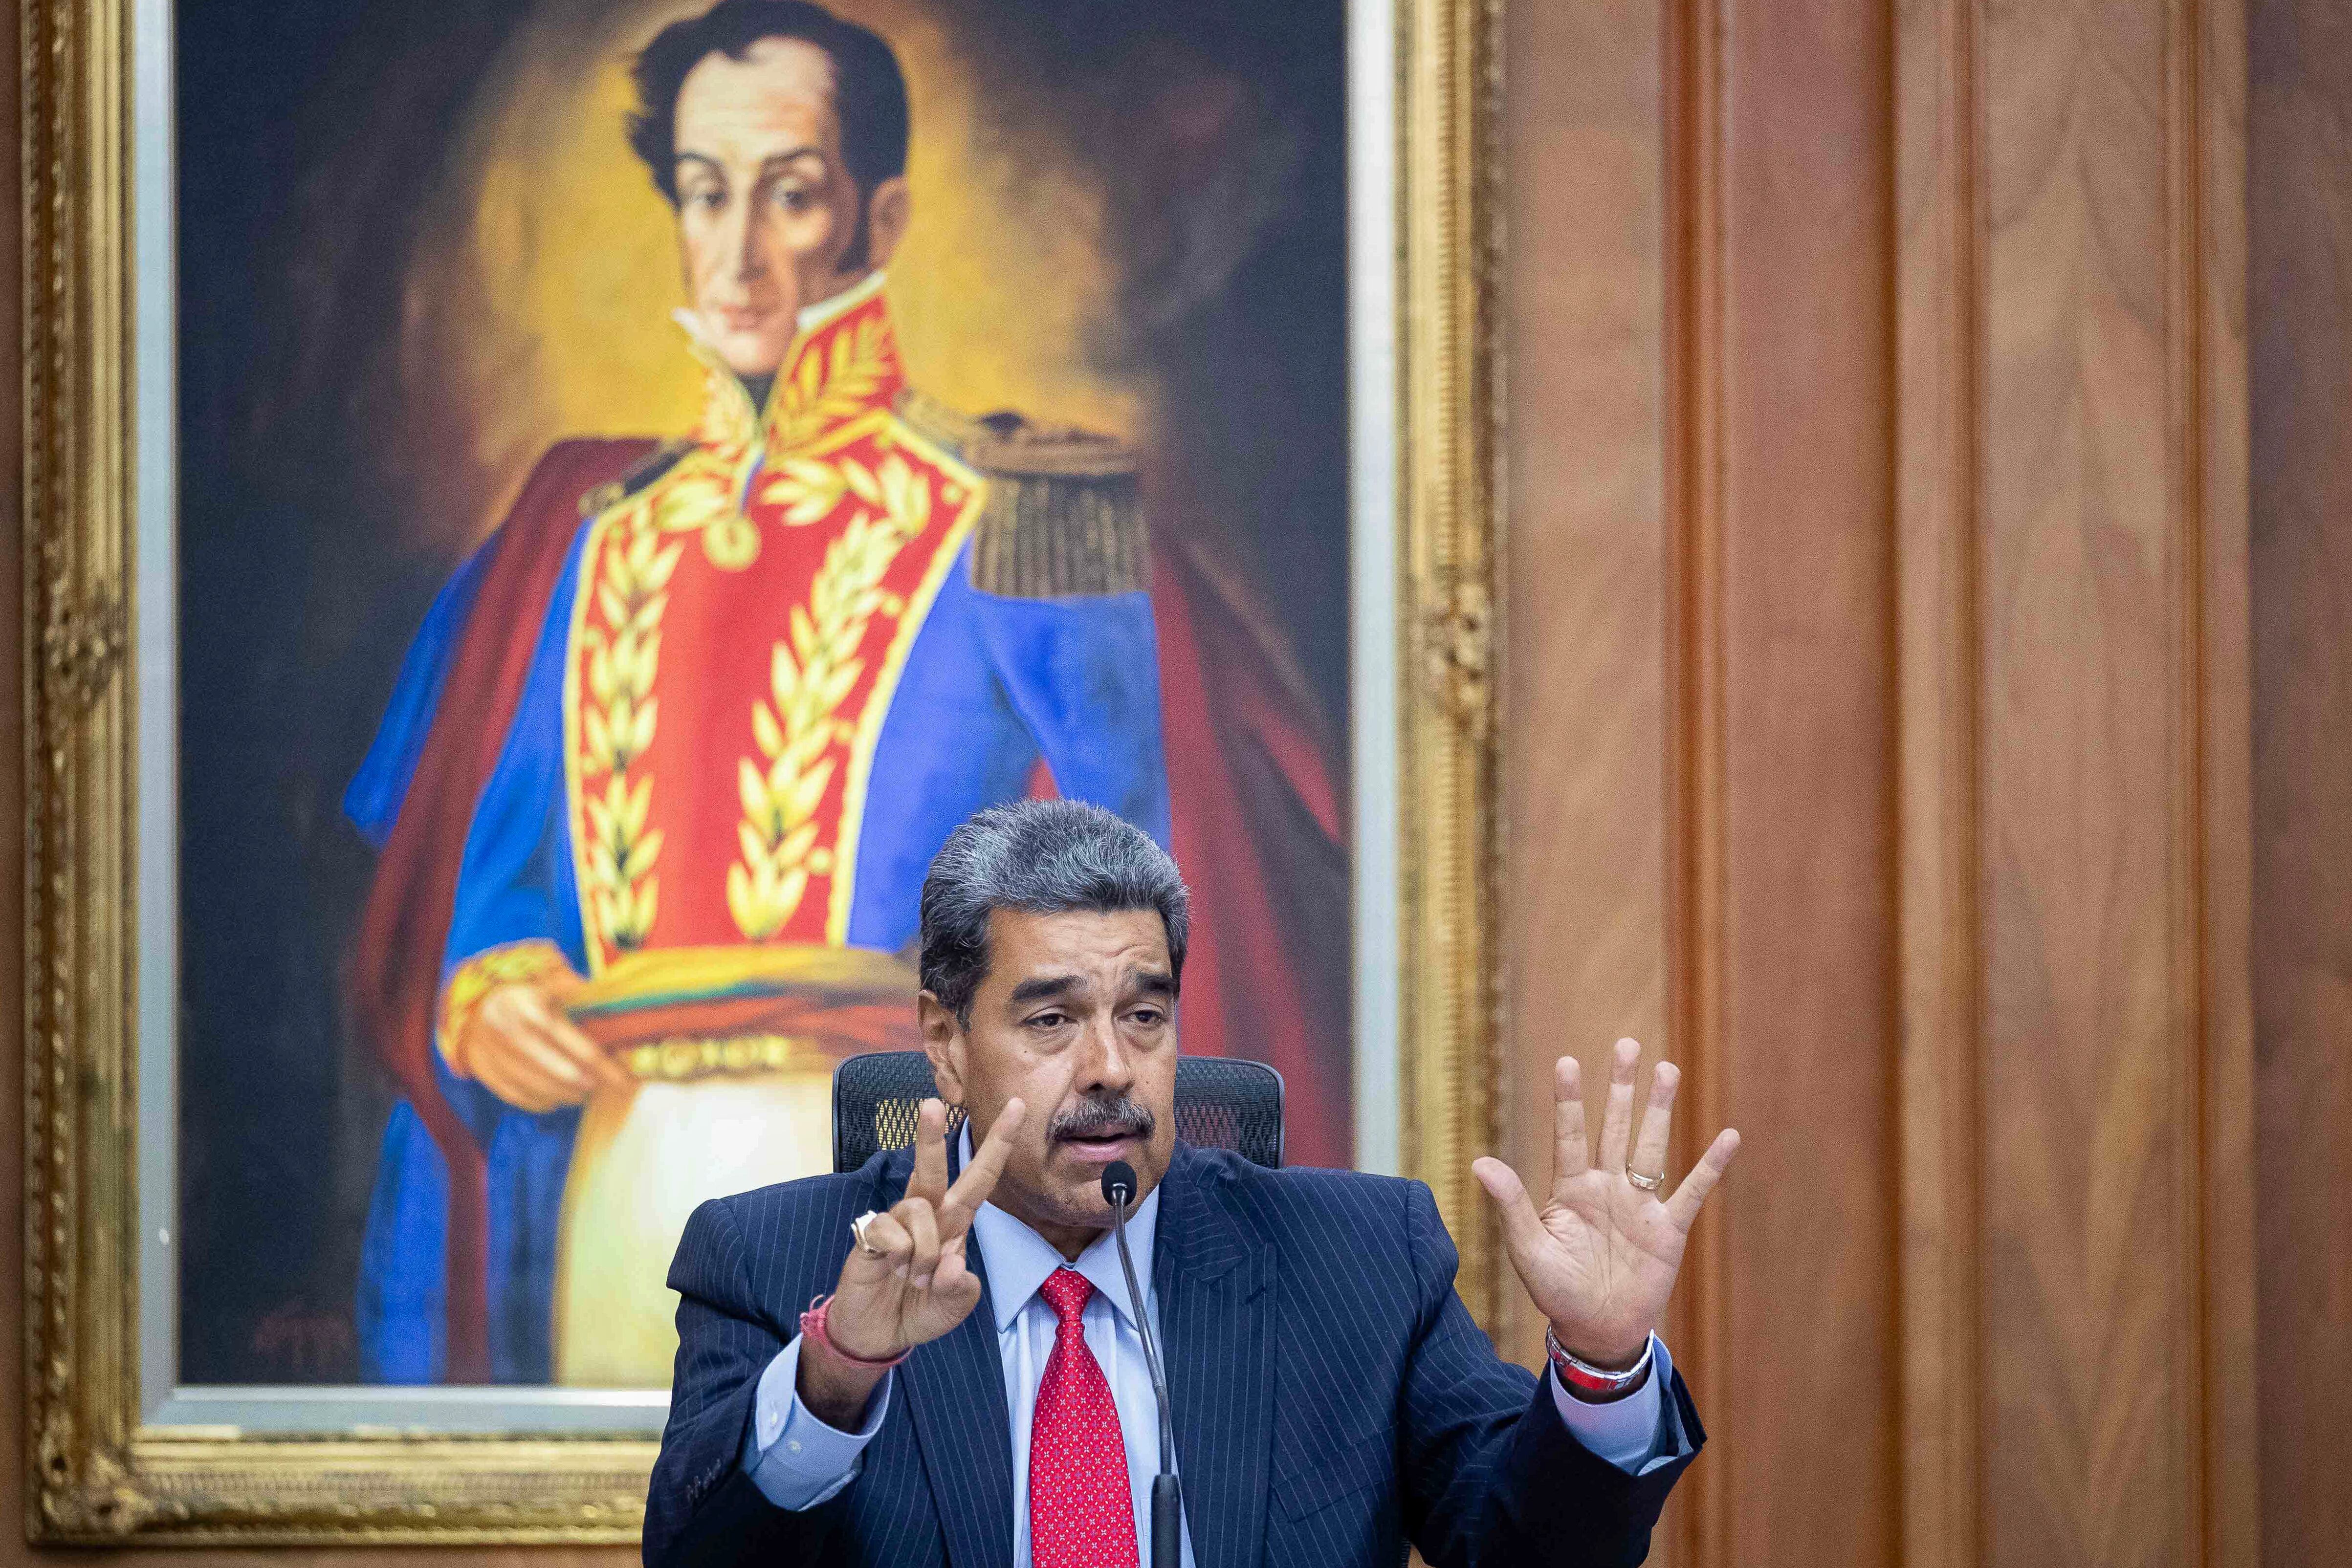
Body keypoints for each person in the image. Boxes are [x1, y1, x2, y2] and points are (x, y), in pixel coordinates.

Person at [343, 0, 1343, 1388]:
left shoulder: (1025, 520)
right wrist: (492, 985)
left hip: (920, 1199)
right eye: (704, 193)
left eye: (788, 193)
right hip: (615, 1192)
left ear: (874, 220)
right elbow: (496, 875)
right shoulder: (584, 532)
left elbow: (1154, 918)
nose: (738, 249)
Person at [644, 800, 1741, 1566]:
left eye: (1144, 1014)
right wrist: (839, 1369)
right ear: (944, 1040)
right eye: (1051, 1019)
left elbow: (1520, 1549)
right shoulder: (771, 1258)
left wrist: (1602, 1365)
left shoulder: (1358, 1260)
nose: (1112, 1066)